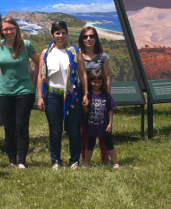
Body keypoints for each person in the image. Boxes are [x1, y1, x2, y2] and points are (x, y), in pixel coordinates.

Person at [36, 21, 88, 169]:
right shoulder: (46, 53)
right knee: (55, 130)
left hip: (72, 95)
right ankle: (56, 160)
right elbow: (41, 76)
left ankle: (74, 160)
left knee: (73, 130)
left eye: (63, 33)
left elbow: (83, 74)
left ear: (67, 34)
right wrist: (40, 97)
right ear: (52, 34)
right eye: (57, 33)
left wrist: (86, 93)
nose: (61, 36)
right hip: (52, 96)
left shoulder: (74, 52)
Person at [0, 17, 40, 170]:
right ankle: (11, 161)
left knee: (21, 127)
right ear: (1, 31)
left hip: (24, 92)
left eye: (11, 28)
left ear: (16, 29)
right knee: (8, 128)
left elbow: (39, 62)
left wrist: (33, 81)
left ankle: (21, 162)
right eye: (5, 29)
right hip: (4, 92)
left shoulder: (26, 45)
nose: (8, 32)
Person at [78, 26, 111, 165]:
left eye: (91, 36)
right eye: (85, 37)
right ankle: (84, 158)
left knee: (103, 128)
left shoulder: (103, 57)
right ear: (82, 39)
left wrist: (107, 98)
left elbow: (107, 78)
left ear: (96, 38)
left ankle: (105, 158)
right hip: (83, 96)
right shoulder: (78, 55)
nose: (88, 39)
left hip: (100, 97)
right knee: (83, 129)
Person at [83, 69, 120, 168]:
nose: (96, 84)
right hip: (91, 126)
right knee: (90, 144)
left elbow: (110, 110)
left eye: (99, 82)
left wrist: (110, 123)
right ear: (90, 81)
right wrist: (84, 106)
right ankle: (86, 163)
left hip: (104, 125)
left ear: (103, 82)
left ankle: (115, 163)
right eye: (94, 82)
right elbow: (86, 112)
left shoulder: (107, 96)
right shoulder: (88, 95)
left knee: (109, 144)